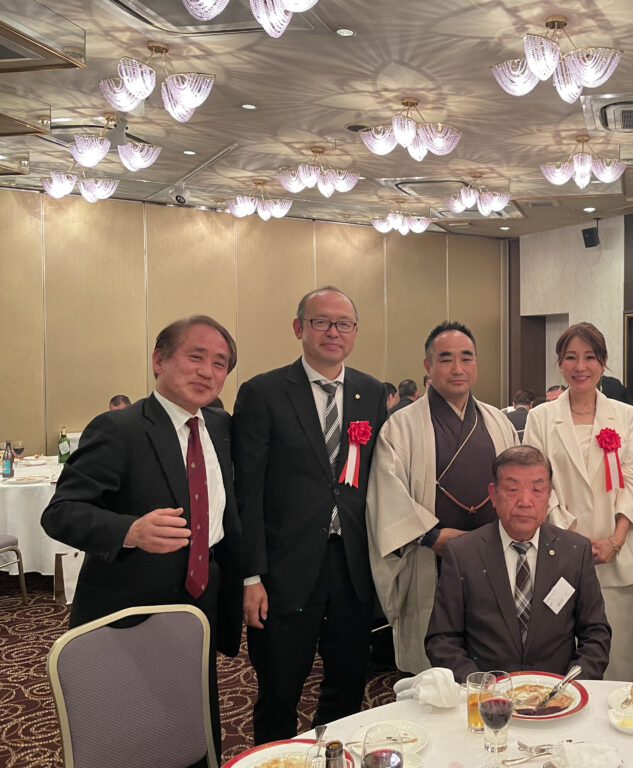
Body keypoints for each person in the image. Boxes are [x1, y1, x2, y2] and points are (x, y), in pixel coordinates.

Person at [42, 315, 242, 764]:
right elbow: (60, 512)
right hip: (131, 605)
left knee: (197, 721)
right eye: (195, 357)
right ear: (159, 360)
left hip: (202, 599)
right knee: (132, 730)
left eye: (220, 363)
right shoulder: (119, 429)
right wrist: (129, 531)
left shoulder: (220, 426)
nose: (207, 372)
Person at [232, 286, 388, 744]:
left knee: (347, 684)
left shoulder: (370, 392)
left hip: (351, 567)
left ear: (355, 332)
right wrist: (250, 576)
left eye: (343, 324)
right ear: (299, 328)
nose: (333, 332)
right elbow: (247, 492)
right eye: (321, 322)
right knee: (280, 689)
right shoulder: (263, 392)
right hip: (284, 570)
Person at [367, 321, 518, 673]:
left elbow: (517, 484)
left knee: (493, 656)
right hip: (431, 555)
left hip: (492, 553)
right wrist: (431, 536)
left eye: (466, 358)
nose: (458, 368)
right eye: (446, 359)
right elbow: (386, 490)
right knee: (434, 665)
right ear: (428, 366)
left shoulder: (497, 421)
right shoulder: (401, 426)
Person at [524, 322, 633, 681]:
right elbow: (537, 485)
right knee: (560, 658)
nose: (580, 367)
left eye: (590, 357)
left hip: (615, 557)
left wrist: (616, 540)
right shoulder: (541, 417)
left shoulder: (623, 414)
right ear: (559, 363)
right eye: (571, 358)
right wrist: (573, 541)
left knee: (618, 660)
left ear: (603, 362)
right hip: (558, 553)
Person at [425, 446, 610, 681]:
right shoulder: (462, 553)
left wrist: (570, 686)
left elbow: (596, 633)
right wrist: (481, 688)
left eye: (537, 490)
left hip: (559, 690)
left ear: (549, 496)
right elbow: (442, 640)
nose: (524, 501)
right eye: (512, 490)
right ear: (493, 495)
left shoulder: (575, 551)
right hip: (488, 694)